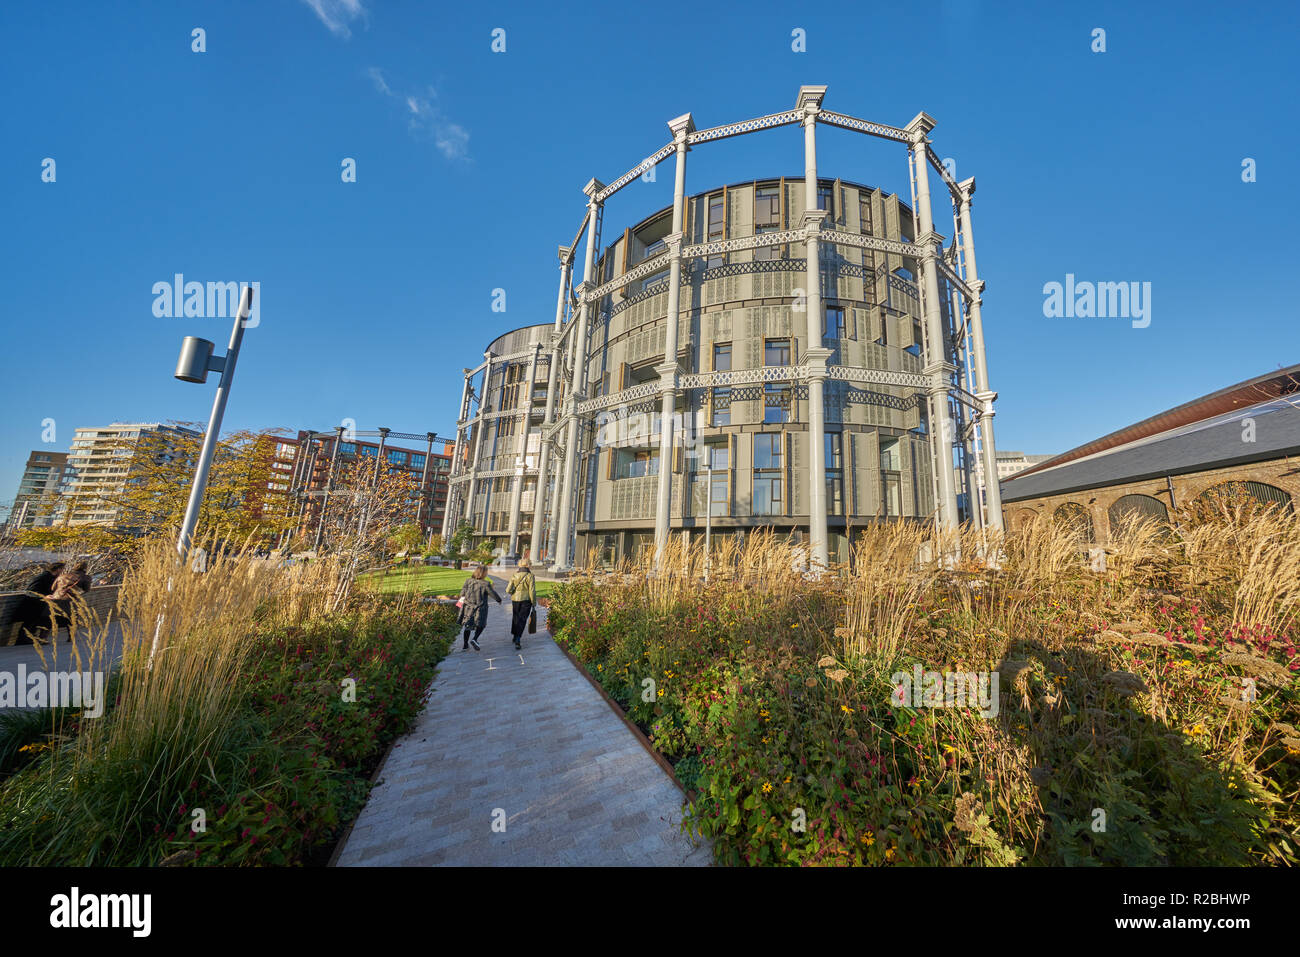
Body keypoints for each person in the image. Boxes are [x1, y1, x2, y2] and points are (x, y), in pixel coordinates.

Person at [15, 561, 63, 642]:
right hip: (33, 602)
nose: (62, 571)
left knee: (33, 621)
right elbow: (32, 590)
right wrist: (45, 596)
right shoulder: (45, 577)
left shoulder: (48, 576)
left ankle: (29, 638)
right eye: (62, 569)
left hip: (36, 602)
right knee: (29, 622)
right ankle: (23, 639)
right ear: (58, 569)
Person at [457, 564, 501, 651]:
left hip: (468, 607)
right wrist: (499, 600)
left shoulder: (468, 581)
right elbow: (493, 593)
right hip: (481, 608)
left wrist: (459, 604)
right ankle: (475, 639)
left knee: (468, 625)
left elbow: (462, 594)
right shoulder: (485, 584)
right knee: (481, 624)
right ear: (484, 573)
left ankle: (465, 645)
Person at [49, 562, 93, 641]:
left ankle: (43, 637)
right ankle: (71, 637)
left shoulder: (63, 576)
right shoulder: (85, 577)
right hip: (71, 600)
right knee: (72, 618)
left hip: (56, 598)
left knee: (52, 617)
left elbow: (52, 588)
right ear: (85, 568)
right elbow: (86, 589)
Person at [506, 560, 537, 650]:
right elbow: (532, 590)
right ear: (528, 565)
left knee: (515, 617)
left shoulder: (514, 575)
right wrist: (534, 602)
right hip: (526, 600)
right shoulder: (530, 576)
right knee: (522, 619)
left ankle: (515, 636)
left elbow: (508, 590)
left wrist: (513, 592)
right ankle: (518, 638)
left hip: (515, 599)